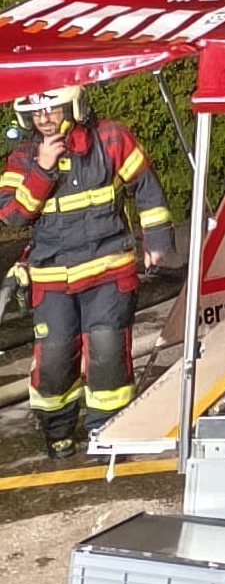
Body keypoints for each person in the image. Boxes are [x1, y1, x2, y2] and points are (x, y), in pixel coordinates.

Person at [2, 84, 177, 457]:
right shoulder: (22, 158)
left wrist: (157, 241)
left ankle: (108, 431)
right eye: (35, 113)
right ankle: (58, 432)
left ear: (74, 106)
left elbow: (145, 186)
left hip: (109, 272)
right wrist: (43, 168)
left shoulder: (111, 138)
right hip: (52, 280)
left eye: (51, 109)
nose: (43, 119)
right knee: (53, 359)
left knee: (108, 353)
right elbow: (14, 215)